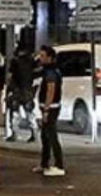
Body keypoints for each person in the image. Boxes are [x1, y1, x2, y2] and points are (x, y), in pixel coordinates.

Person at [33, 45, 65, 177]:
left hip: (51, 108)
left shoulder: (51, 72)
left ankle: (59, 165)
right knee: (45, 136)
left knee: (51, 136)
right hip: (48, 107)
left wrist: (46, 110)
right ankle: (44, 163)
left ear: (50, 58)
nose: (40, 58)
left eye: (43, 56)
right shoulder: (48, 70)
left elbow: (50, 91)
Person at [5, 45, 38, 143]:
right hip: (28, 89)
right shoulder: (31, 61)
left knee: (15, 112)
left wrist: (9, 88)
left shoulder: (15, 61)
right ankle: (34, 133)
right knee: (29, 113)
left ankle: (14, 134)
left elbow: (10, 76)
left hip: (17, 90)